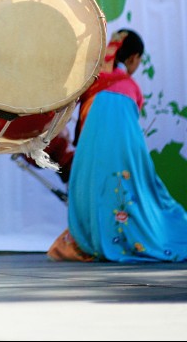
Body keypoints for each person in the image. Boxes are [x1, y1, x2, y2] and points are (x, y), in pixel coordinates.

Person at [48, 28, 187, 262]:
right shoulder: (130, 87)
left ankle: (92, 237)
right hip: (125, 155)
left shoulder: (91, 81)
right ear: (133, 58)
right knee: (141, 190)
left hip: (90, 157)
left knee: (94, 185)